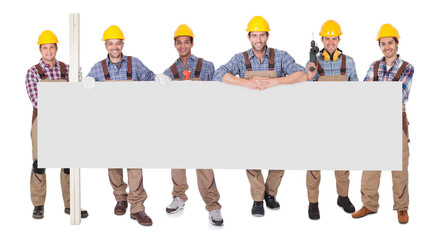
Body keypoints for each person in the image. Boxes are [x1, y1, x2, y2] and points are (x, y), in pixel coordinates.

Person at [213, 16, 309, 217]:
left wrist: (276, 82)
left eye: (262, 35)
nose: (258, 39)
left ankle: (270, 194)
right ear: (249, 37)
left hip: (278, 117)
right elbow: (219, 74)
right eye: (254, 35)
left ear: (267, 36)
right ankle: (258, 198)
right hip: (249, 118)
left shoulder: (281, 57)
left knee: (280, 156)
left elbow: (302, 74)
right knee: (251, 157)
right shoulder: (241, 59)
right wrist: (245, 83)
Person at [85, 25, 155, 226]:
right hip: (109, 125)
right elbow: (86, 97)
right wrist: (86, 82)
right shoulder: (97, 68)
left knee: (135, 166)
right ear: (105, 45)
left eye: (117, 43)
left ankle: (138, 207)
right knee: (114, 165)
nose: (114, 47)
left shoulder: (135, 64)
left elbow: (152, 81)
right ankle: (120, 199)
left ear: (122, 44)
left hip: (134, 123)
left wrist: (158, 78)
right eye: (110, 44)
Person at [351, 23, 414, 224]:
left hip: (396, 119)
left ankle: (401, 208)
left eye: (390, 43)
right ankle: (369, 204)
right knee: (371, 164)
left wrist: (375, 90)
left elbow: (400, 94)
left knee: (399, 165)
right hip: (374, 119)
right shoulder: (374, 66)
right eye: (383, 43)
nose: (386, 47)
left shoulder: (407, 68)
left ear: (397, 43)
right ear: (379, 45)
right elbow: (364, 93)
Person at [161, 24, 223, 226]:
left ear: (192, 43)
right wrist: (159, 81)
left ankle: (213, 206)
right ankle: (179, 197)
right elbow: (162, 97)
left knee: (204, 166)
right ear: (174, 45)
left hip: (201, 123)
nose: (182, 46)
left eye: (186, 42)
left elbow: (215, 95)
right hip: (179, 123)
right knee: (177, 163)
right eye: (178, 42)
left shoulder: (207, 66)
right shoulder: (170, 71)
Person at [26, 30, 88, 219]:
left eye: (51, 47)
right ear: (40, 49)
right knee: (39, 164)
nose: (48, 51)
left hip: (66, 122)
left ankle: (71, 204)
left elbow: (76, 94)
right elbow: (36, 99)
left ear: (56, 48)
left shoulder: (67, 69)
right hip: (42, 121)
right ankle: (38, 204)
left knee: (69, 163)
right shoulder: (33, 72)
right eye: (45, 48)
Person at [305, 20, 357, 220]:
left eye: (334, 38)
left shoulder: (349, 62)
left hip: (342, 119)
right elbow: (306, 92)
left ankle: (342, 197)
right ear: (322, 39)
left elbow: (356, 90)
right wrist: (310, 73)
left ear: (339, 39)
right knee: (314, 163)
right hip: (318, 119)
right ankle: (313, 202)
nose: (330, 42)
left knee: (342, 162)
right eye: (327, 38)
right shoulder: (313, 61)